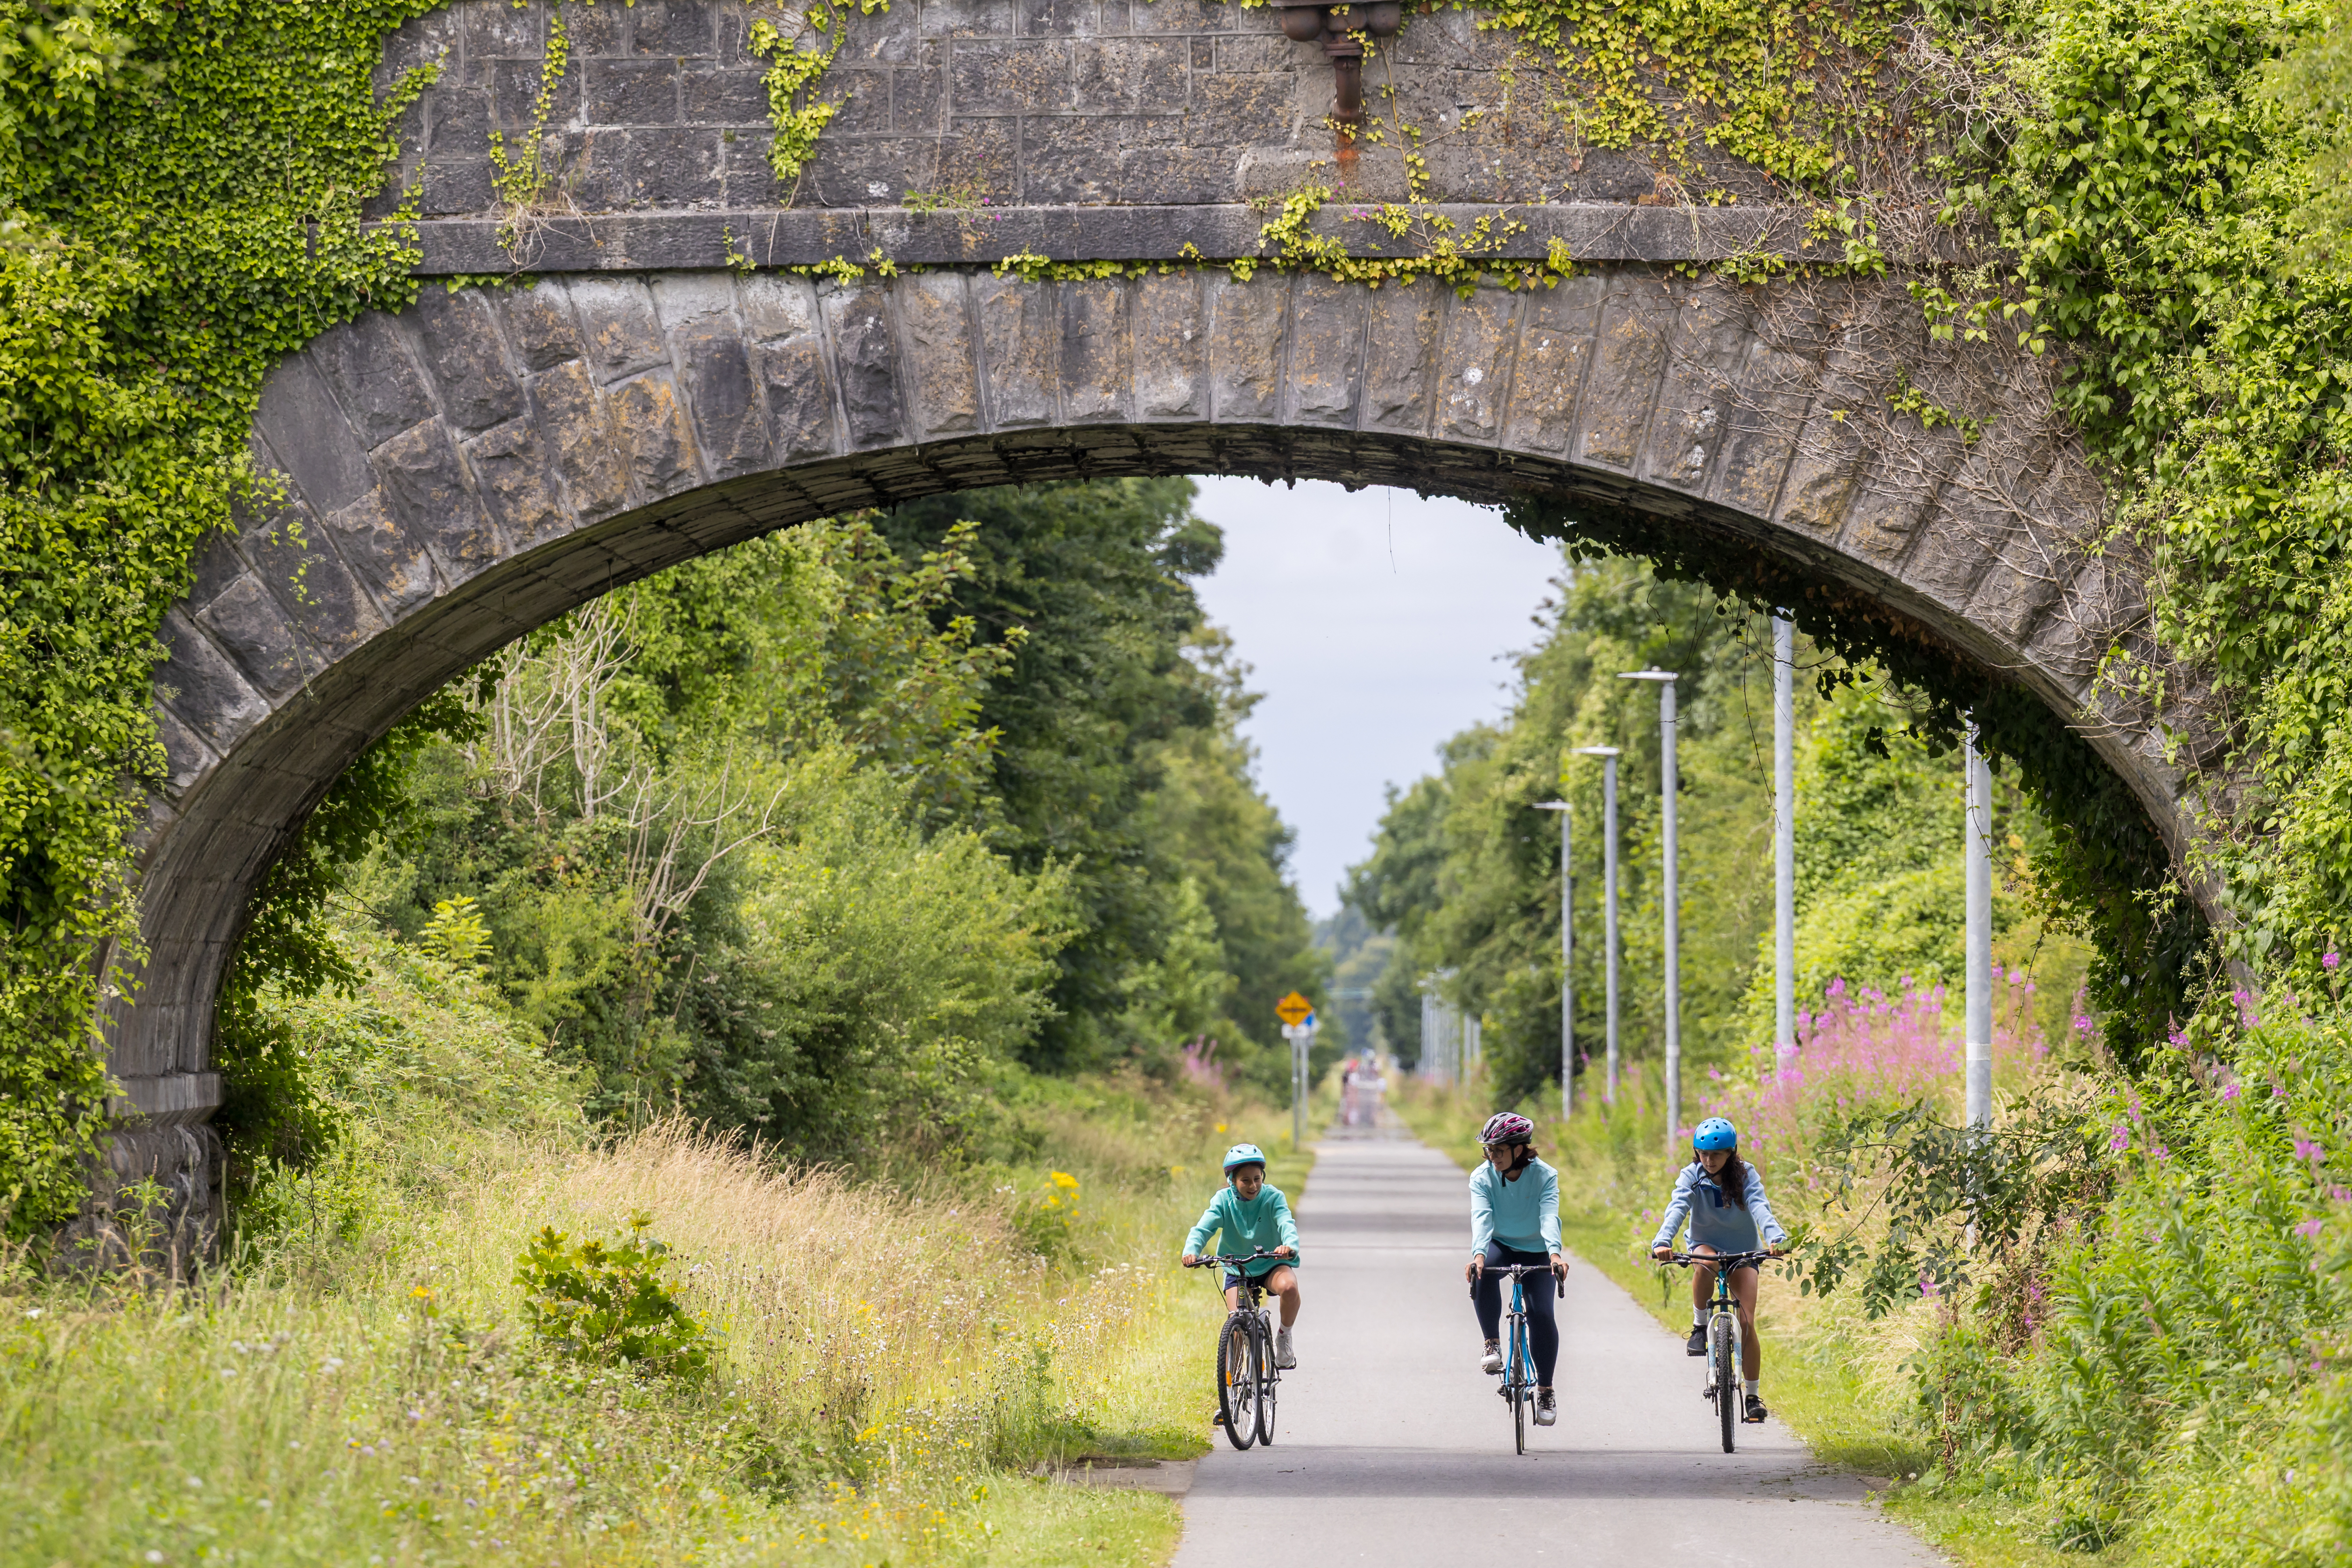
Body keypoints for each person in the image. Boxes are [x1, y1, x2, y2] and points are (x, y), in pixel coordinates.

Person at [1649, 1116, 1788, 1424]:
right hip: (1705, 1245)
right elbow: (1678, 1207)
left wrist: (1775, 1237)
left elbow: (1759, 1205)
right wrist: (1662, 1241)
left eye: (1716, 1154)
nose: (1709, 1160)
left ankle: (1752, 1396)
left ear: (1731, 1153)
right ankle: (1700, 1326)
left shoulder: (1746, 1174)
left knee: (1747, 1322)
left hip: (1743, 1251)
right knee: (1706, 1262)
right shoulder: (1692, 1175)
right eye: (1703, 1154)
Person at [1464, 1111, 1568, 1427]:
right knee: (1483, 1271)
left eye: (1498, 1150)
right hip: (1501, 1244)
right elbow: (1482, 1218)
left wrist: (1554, 1255)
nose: (1492, 1156)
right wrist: (1478, 1255)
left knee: (1541, 1313)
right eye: (1488, 1150)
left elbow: (1549, 1216)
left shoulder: (1544, 1176)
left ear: (1519, 1149)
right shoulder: (1481, 1177)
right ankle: (1492, 1343)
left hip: (1538, 1248)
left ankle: (1546, 1390)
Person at [1182, 1143, 1303, 1370]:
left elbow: (1286, 1223)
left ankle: (1284, 1336)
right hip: (1237, 1268)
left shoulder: (1273, 1197)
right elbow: (1203, 1229)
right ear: (1232, 1181)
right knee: (1236, 1323)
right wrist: (1191, 1251)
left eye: (1257, 1179)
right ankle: (1233, 1386)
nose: (1253, 1186)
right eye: (1245, 1180)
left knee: (1289, 1288)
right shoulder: (1223, 1200)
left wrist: (1288, 1245)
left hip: (1271, 1263)